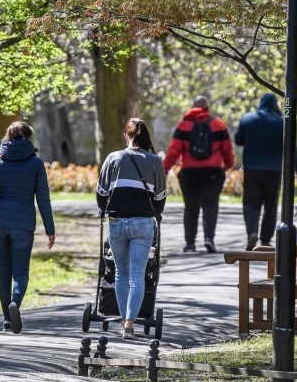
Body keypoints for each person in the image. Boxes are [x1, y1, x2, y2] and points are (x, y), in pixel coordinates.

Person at [0, 121, 56, 334]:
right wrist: (50, 229)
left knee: (4, 271)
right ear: (28, 138)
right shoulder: (36, 164)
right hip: (23, 224)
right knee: (21, 273)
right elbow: (43, 199)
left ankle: (7, 321)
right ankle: (15, 304)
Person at [96, 118, 166, 340]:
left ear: (126, 135)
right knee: (138, 275)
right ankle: (129, 323)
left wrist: (104, 209)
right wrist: (156, 212)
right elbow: (160, 198)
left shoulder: (113, 158)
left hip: (116, 221)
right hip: (143, 223)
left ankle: (122, 319)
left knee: (120, 273)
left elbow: (100, 193)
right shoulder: (155, 161)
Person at [163, 95, 235, 253]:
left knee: (190, 207)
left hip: (189, 172)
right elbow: (227, 149)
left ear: (192, 106)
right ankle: (209, 238)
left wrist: (165, 168)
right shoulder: (218, 124)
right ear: (207, 109)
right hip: (213, 172)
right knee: (210, 205)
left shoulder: (183, 125)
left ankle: (190, 243)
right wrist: (229, 165)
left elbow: (174, 150)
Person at [234, 93, 297, 250]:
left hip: (252, 169)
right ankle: (265, 239)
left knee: (251, 202)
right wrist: (296, 165)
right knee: (271, 205)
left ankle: (251, 232)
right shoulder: (282, 122)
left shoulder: (248, 119)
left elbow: (238, 140)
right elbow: (291, 146)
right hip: (274, 170)